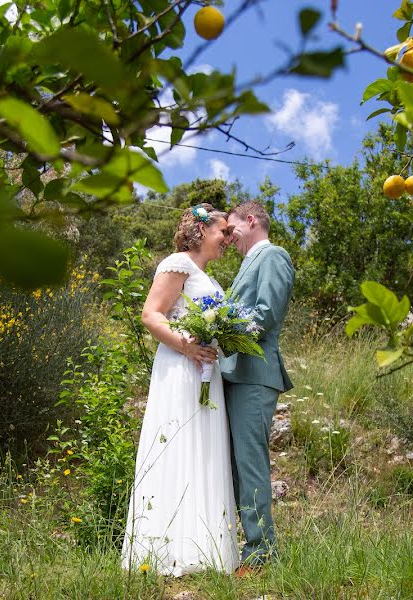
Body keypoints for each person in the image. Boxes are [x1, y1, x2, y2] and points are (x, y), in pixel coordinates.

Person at [120, 204, 240, 577]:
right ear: (202, 231)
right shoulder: (178, 263)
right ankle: (164, 547)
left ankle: (202, 548)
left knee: (202, 448)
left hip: (205, 370)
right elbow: (151, 314)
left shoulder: (209, 278)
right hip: (180, 367)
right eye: (224, 231)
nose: (229, 239)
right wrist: (185, 345)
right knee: (178, 441)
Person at [220, 200, 294, 573]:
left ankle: (262, 554)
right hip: (235, 374)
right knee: (234, 467)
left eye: (231, 228)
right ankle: (245, 546)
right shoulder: (247, 264)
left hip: (254, 374)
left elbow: (266, 313)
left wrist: (219, 333)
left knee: (250, 465)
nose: (228, 237)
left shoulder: (273, 256)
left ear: (250, 221)